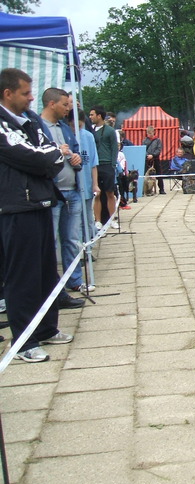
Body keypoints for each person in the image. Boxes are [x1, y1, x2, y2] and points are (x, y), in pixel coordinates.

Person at [0, 68, 76, 363]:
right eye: (26, 93)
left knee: (46, 272)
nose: (32, 98)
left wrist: (50, 154)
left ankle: (46, 328)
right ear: (8, 94)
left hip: (42, 202)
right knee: (22, 277)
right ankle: (23, 340)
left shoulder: (30, 122)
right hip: (17, 208)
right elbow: (32, 156)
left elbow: (50, 153)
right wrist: (50, 155)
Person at [40, 87, 88, 293]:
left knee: (72, 240)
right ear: (52, 104)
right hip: (50, 193)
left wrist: (77, 159)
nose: (69, 109)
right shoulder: (36, 128)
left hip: (73, 192)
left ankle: (74, 280)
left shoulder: (66, 128)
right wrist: (56, 152)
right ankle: (51, 287)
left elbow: (76, 151)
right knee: (49, 242)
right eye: (65, 105)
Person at [66, 109, 100, 242]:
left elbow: (93, 163)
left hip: (86, 183)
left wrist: (95, 184)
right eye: (73, 125)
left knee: (88, 218)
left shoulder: (88, 136)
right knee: (75, 221)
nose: (75, 128)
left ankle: (89, 245)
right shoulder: (66, 135)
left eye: (79, 126)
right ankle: (77, 248)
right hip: (72, 185)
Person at [89, 105, 119, 229]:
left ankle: (112, 219)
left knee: (110, 193)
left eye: (92, 114)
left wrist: (112, 164)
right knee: (97, 194)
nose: (90, 117)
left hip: (107, 164)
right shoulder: (91, 131)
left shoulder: (110, 131)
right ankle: (98, 220)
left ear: (99, 116)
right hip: (95, 165)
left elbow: (114, 148)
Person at [143, 125, 165, 194]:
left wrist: (153, 155)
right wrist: (147, 155)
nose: (149, 134)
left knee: (159, 174)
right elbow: (143, 149)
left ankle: (161, 189)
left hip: (156, 159)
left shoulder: (158, 140)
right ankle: (146, 189)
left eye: (150, 133)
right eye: (148, 133)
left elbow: (159, 149)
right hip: (147, 160)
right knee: (146, 175)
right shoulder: (144, 141)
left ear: (153, 132)